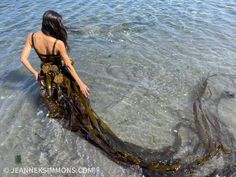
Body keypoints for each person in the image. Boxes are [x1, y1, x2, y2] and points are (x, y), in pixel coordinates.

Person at [21, 10, 89, 98]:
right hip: (59, 72)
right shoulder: (58, 43)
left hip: (45, 72)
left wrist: (35, 73)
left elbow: (23, 59)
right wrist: (81, 84)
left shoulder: (31, 36)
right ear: (53, 25)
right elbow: (68, 65)